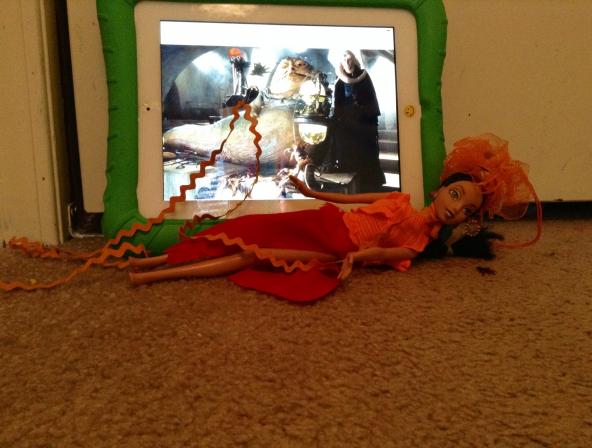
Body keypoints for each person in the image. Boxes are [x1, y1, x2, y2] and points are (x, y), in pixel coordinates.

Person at [128, 133, 542, 302]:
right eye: (455, 194)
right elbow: (350, 198)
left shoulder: (418, 242)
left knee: (253, 254)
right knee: (244, 229)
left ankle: (158, 276)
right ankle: (156, 262)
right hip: (325, 222)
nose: (455, 207)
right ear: (439, 190)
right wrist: (310, 192)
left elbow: (382, 253)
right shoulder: (399, 200)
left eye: (466, 209)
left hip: (337, 248)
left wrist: (354, 259)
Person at [319, 50, 385, 192]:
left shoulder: (364, 77)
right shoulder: (339, 80)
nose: (347, 63)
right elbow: (338, 103)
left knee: (366, 152)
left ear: (354, 61)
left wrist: (360, 110)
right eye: (345, 60)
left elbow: (370, 100)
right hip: (346, 123)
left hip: (364, 122)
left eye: (349, 60)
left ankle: (369, 181)